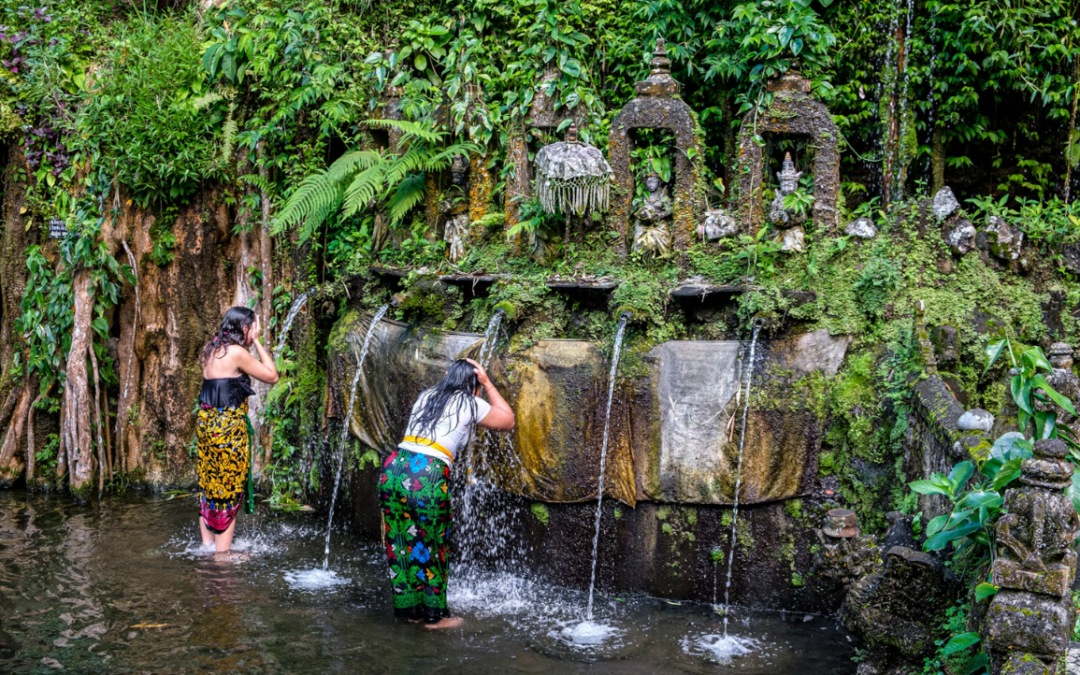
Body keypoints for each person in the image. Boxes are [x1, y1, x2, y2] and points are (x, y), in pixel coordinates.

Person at [378, 358, 515, 629]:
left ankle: (411, 610)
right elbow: (508, 420)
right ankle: (435, 618)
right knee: (433, 544)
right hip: (426, 474)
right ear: (473, 385)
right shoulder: (470, 402)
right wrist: (487, 382)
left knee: (400, 541)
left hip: (394, 468)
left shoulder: (427, 395)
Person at [197, 307, 279, 553]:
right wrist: (256, 342)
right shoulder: (236, 352)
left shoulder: (210, 349)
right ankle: (221, 559)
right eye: (253, 327)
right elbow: (272, 375)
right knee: (228, 489)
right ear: (245, 328)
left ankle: (207, 547)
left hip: (207, 428)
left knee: (210, 485)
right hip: (227, 431)